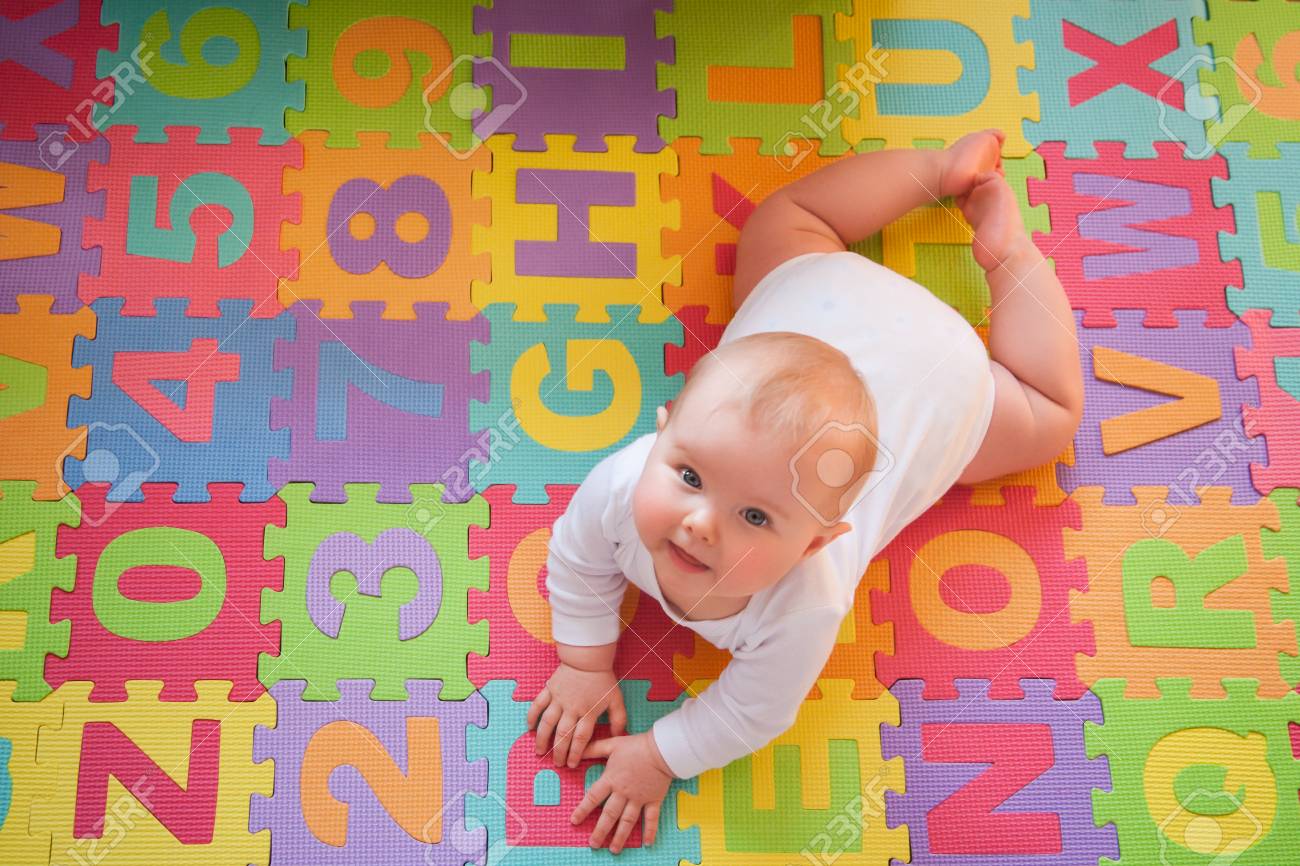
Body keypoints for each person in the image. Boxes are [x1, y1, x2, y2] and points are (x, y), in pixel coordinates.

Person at [526, 129, 1085, 853]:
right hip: (819, 298)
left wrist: (661, 754)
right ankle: (940, 167)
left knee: (1048, 413)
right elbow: (575, 554)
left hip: (933, 374)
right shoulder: (626, 479)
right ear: (662, 431)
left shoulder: (806, 601)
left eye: (755, 515)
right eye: (690, 476)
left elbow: (752, 711)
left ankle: (1009, 252)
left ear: (819, 540)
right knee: (787, 219)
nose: (700, 524)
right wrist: (583, 660)